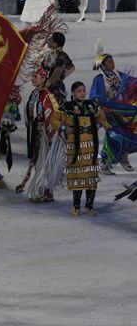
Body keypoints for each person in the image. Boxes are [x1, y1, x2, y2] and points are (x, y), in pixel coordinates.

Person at [51, 82, 110, 216]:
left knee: (90, 176)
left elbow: (101, 116)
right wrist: (63, 127)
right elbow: (54, 119)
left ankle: (90, 206)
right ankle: (76, 206)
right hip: (75, 147)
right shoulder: (67, 107)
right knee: (77, 176)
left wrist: (106, 125)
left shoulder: (91, 106)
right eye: (79, 91)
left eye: (83, 91)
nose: (82, 93)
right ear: (73, 93)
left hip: (90, 146)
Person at [89, 43, 137, 174]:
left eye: (112, 61)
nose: (112, 63)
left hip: (120, 110)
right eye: (109, 62)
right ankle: (105, 162)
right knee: (115, 135)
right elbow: (95, 96)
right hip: (107, 111)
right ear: (103, 65)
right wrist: (103, 107)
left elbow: (132, 82)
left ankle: (123, 158)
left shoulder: (118, 75)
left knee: (129, 132)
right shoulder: (99, 79)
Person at [18, 67, 60, 202]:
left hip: (44, 134)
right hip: (35, 132)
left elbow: (54, 114)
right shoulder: (34, 93)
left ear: (43, 79)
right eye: (33, 76)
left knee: (45, 163)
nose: (33, 78)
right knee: (37, 162)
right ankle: (41, 190)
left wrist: (49, 133)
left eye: (35, 76)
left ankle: (47, 191)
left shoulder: (48, 95)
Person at [42, 32, 75, 105]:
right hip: (45, 84)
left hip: (55, 88)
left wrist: (59, 77)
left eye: (50, 40)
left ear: (55, 44)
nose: (48, 41)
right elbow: (72, 67)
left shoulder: (61, 55)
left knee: (55, 108)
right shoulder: (49, 54)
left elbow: (63, 68)